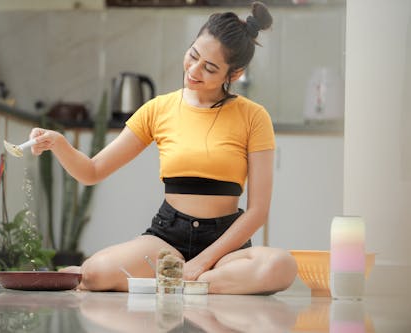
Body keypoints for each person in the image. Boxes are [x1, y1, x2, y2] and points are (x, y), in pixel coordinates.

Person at [30, 1, 297, 295]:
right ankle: (191, 283)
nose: (194, 70)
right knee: (93, 275)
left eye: (209, 68)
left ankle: (181, 281)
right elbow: (92, 171)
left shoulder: (254, 116)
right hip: (168, 238)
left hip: (225, 244)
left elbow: (258, 210)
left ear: (233, 75)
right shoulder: (159, 109)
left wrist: (202, 263)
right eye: (193, 55)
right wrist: (59, 143)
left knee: (281, 266)